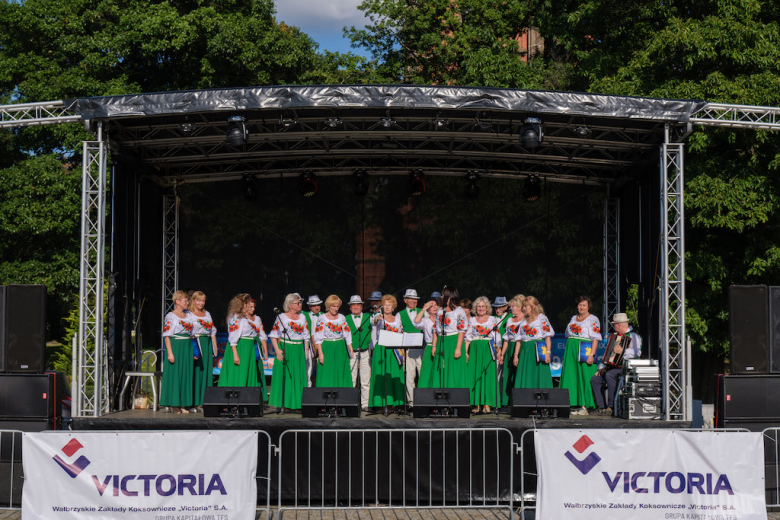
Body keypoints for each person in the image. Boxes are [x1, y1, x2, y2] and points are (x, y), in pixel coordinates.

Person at [219, 294, 268, 401]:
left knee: (249, 372)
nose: (249, 306)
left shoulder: (248, 317)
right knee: (238, 373)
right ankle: (234, 400)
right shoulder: (236, 317)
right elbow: (233, 338)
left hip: (249, 348)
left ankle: (248, 400)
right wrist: (235, 355)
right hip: (240, 347)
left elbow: (259, 334)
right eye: (247, 303)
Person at [591, 313, 642, 415]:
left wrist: (623, 351)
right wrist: (605, 367)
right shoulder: (616, 337)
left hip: (627, 368)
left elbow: (637, 352)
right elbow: (612, 357)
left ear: (619, 325)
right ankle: (601, 407)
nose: (614, 327)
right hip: (615, 368)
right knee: (595, 379)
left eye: (614, 325)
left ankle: (612, 406)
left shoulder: (633, 336)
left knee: (610, 375)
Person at [268, 293, 312, 411]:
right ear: (290, 304)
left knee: (298, 376)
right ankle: (285, 404)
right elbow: (273, 335)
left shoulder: (302, 317)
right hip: (285, 348)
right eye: (298, 303)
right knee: (286, 376)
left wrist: (306, 349)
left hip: (298, 349)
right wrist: (277, 350)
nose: (300, 304)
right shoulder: (281, 317)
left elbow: (306, 335)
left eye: (301, 302)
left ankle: (298, 404)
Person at [560, 295, 601, 415]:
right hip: (571, 347)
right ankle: (573, 403)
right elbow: (568, 334)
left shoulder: (592, 319)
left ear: (589, 307)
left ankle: (585, 406)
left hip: (584, 347)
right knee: (571, 375)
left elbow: (595, 338)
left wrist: (592, 354)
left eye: (584, 305)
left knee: (585, 376)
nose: (581, 307)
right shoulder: (574, 318)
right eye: (579, 305)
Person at [368, 294, 405, 410]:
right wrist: (377, 319)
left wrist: (403, 351)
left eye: (390, 305)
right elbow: (373, 322)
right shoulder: (379, 317)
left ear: (393, 307)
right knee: (382, 375)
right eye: (385, 305)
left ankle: (394, 402)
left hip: (394, 350)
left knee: (393, 375)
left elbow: (401, 334)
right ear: (382, 306)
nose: (388, 307)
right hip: (382, 349)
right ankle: (380, 403)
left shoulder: (397, 320)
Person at [160, 290, 194, 414]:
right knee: (175, 374)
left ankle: (184, 403)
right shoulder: (171, 316)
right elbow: (167, 336)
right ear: (177, 302)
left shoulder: (189, 315)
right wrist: (170, 353)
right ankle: (174, 404)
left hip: (187, 346)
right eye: (185, 300)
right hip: (176, 345)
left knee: (186, 374)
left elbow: (192, 333)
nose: (187, 302)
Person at [512, 295, 554, 389]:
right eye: (523, 306)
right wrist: (516, 355)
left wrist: (548, 352)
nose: (524, 308)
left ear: (533, 307)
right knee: (526, 372)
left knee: (538, 373)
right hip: (525, 350)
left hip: (537, 349)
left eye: (526, 306)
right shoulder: (523, 320)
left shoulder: (541, 318)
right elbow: (519, 339)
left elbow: (547, 337)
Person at [466, 296, 499, 413]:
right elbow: (468, 337)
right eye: (479, 306)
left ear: (487, 307)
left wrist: (498, 351)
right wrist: (466, 352)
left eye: (483, 306)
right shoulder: (472, 320)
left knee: (487, 375)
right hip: (475, 349)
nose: (480, 309)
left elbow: (497, 336)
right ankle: (476, 404)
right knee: (475, 375)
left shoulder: (492, 319)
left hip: (487, 348)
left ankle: (487, 403)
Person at [314, 295, 354, 387]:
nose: (336, 309)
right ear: (328, 306)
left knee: (340, 370)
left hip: (340, 347)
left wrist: (350, 347)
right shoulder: (322, 318)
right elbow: (318, 337)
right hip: (327, 347)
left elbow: (347, 333)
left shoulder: (342, 317)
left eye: (337, 306)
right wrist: (320, 353)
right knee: (327, 371)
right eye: (333, 306)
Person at [188, 291, 218, 409]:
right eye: (199, 300)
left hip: (206, 343)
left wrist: (214, 350)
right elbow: (189, 332)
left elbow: (212, 332)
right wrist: (194, 349)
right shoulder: (189, 314)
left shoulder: (207, 314)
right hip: (196, 342)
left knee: (205, 372)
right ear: (193, 301)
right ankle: (192, 401)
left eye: (203, 301)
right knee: (195, 372)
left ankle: (203, 401)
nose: (201, 303)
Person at [437, 286, 468, 388]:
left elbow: (461, 330)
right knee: (442, 368)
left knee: (454, 368)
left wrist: (458, 348)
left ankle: (455, 395)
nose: (441, 297)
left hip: (454, 341)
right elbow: (437, 329)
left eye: (443, 294)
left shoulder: (459, 311)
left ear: (449, 297)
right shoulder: (440, 311)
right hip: (442, 341)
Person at [346, 295, 372, 410]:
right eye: (353, 305)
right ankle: (351, 403)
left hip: (365, 351)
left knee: (365, 379)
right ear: (350, 307)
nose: (356, 307)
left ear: (362, 306)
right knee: (351, 378)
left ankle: (365, 404)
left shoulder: (369, 317)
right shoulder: (345, 318)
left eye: (358, 305)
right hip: (351, 352)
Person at [499, 295, 526, 405]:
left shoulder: (525, 319)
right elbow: (506, 338)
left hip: (521, 347)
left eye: (513, 307)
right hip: (510, 347)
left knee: (519, 374)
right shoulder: (509, 320)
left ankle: (520, 399)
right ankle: (508, 400)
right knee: (509, 374)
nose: (511, 309)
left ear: (519, 307)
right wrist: (502, 354)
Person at [399, 289, 423, 408]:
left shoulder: (423, 312)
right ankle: (411, 402)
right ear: (405, 300)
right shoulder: (400, 314)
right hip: (408, 349)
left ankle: (423, 400)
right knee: (409, 376)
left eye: (415, 299)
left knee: (423, 375)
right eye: (411, 299)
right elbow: (399, 333)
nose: (414, 301)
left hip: (422, 348)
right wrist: (402, 350)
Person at [413, 297, 442, 389]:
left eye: (436, 305)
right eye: (431, 306)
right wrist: (424, 308)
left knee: (439, 371)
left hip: (441, 347)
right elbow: (416, 322)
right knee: (427, 371)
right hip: (429, 347)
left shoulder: (442, 319)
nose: (434, 307)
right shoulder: (425, 320)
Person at [493, 296, 512, 406]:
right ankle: (498, 399)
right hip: (496, 349)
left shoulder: (509, 318)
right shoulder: (493, 318)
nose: (498, 310)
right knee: (497, 374)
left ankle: (507, 399)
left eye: (500, 307)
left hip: (508, 348)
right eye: (496, 308)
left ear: (505, 307)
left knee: (507, 374)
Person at [303, 295, 323, 387]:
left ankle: (321, 389)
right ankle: (308, 389)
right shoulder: (304, 315)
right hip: (309, 345)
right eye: (314, 305)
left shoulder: (324, 315)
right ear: (309, 306)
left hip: (322, 345)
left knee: (322, 368)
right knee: (308, 369)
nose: (316, 307)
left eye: (318, 304)